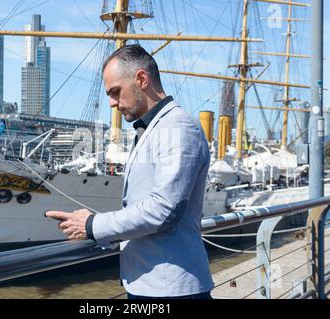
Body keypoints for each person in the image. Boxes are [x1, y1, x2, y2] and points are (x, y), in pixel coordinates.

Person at [45, 44, 214, 299]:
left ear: (141, 79)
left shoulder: (179, 127)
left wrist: (93, 224)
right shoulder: (152, 128)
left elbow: (163, 210)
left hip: (171, 290)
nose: (112, 103)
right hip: (148, 284)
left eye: (115, 92)